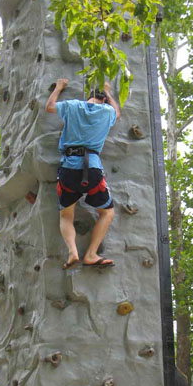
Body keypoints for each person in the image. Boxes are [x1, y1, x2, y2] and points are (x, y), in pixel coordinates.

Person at [45, 78, 121, 269]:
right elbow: (117, 114)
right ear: (103, 100)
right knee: (107, 212)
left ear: (89, 97)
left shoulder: (73, 106)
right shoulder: (107, 111)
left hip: (69, 168)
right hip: (93, 169)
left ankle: (72, 252)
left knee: (66, 216)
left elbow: (50, 107)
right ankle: (91, 254)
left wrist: (59, 87)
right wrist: (109, 92)